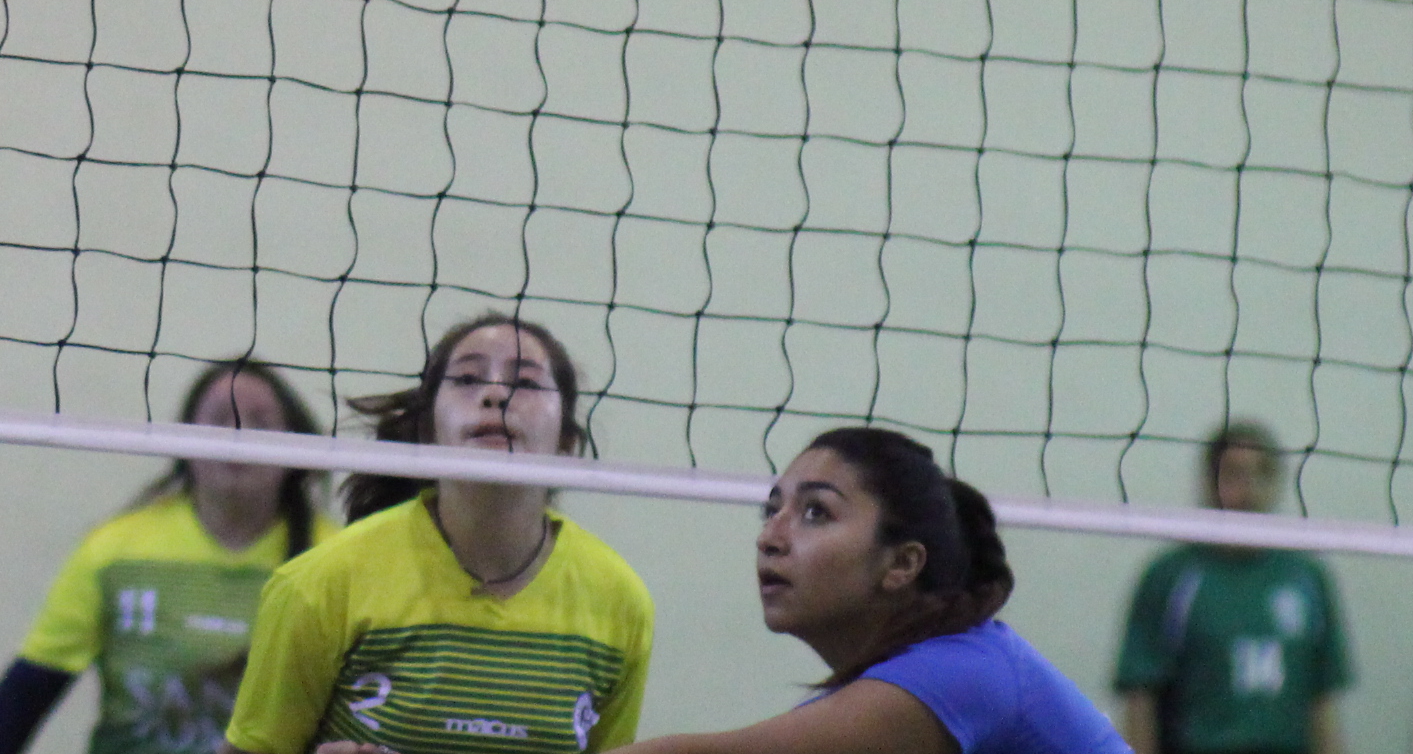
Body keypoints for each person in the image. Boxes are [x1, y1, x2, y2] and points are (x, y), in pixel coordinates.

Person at [224, 316, 651, 754]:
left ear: (566, 442)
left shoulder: (619, 602)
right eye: (467, 378)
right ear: (427, 432)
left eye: (525, 382)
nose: (496, 394)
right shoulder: (319, 585)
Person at [608, 425, 1124, 754]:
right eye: (771, 510)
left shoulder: (962, 673)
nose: (770, 537)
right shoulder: (877, 699)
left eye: (816, 512)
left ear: (902, 563)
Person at [0, 357, 326, 754]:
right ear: (183, 441)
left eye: (260, 422)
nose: (238, 436)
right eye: (219, 419)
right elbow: (27, 691)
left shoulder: (332, 558)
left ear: (297, 446)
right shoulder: (114, 551)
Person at [1115, 422, 1351, 754]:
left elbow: (1322, 702)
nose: (1249, 489)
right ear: (1210, 482)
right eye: (1235, 474)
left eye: (1263, 473)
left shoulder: (1307, 578)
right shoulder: (1171, 578)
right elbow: (1141, 700)